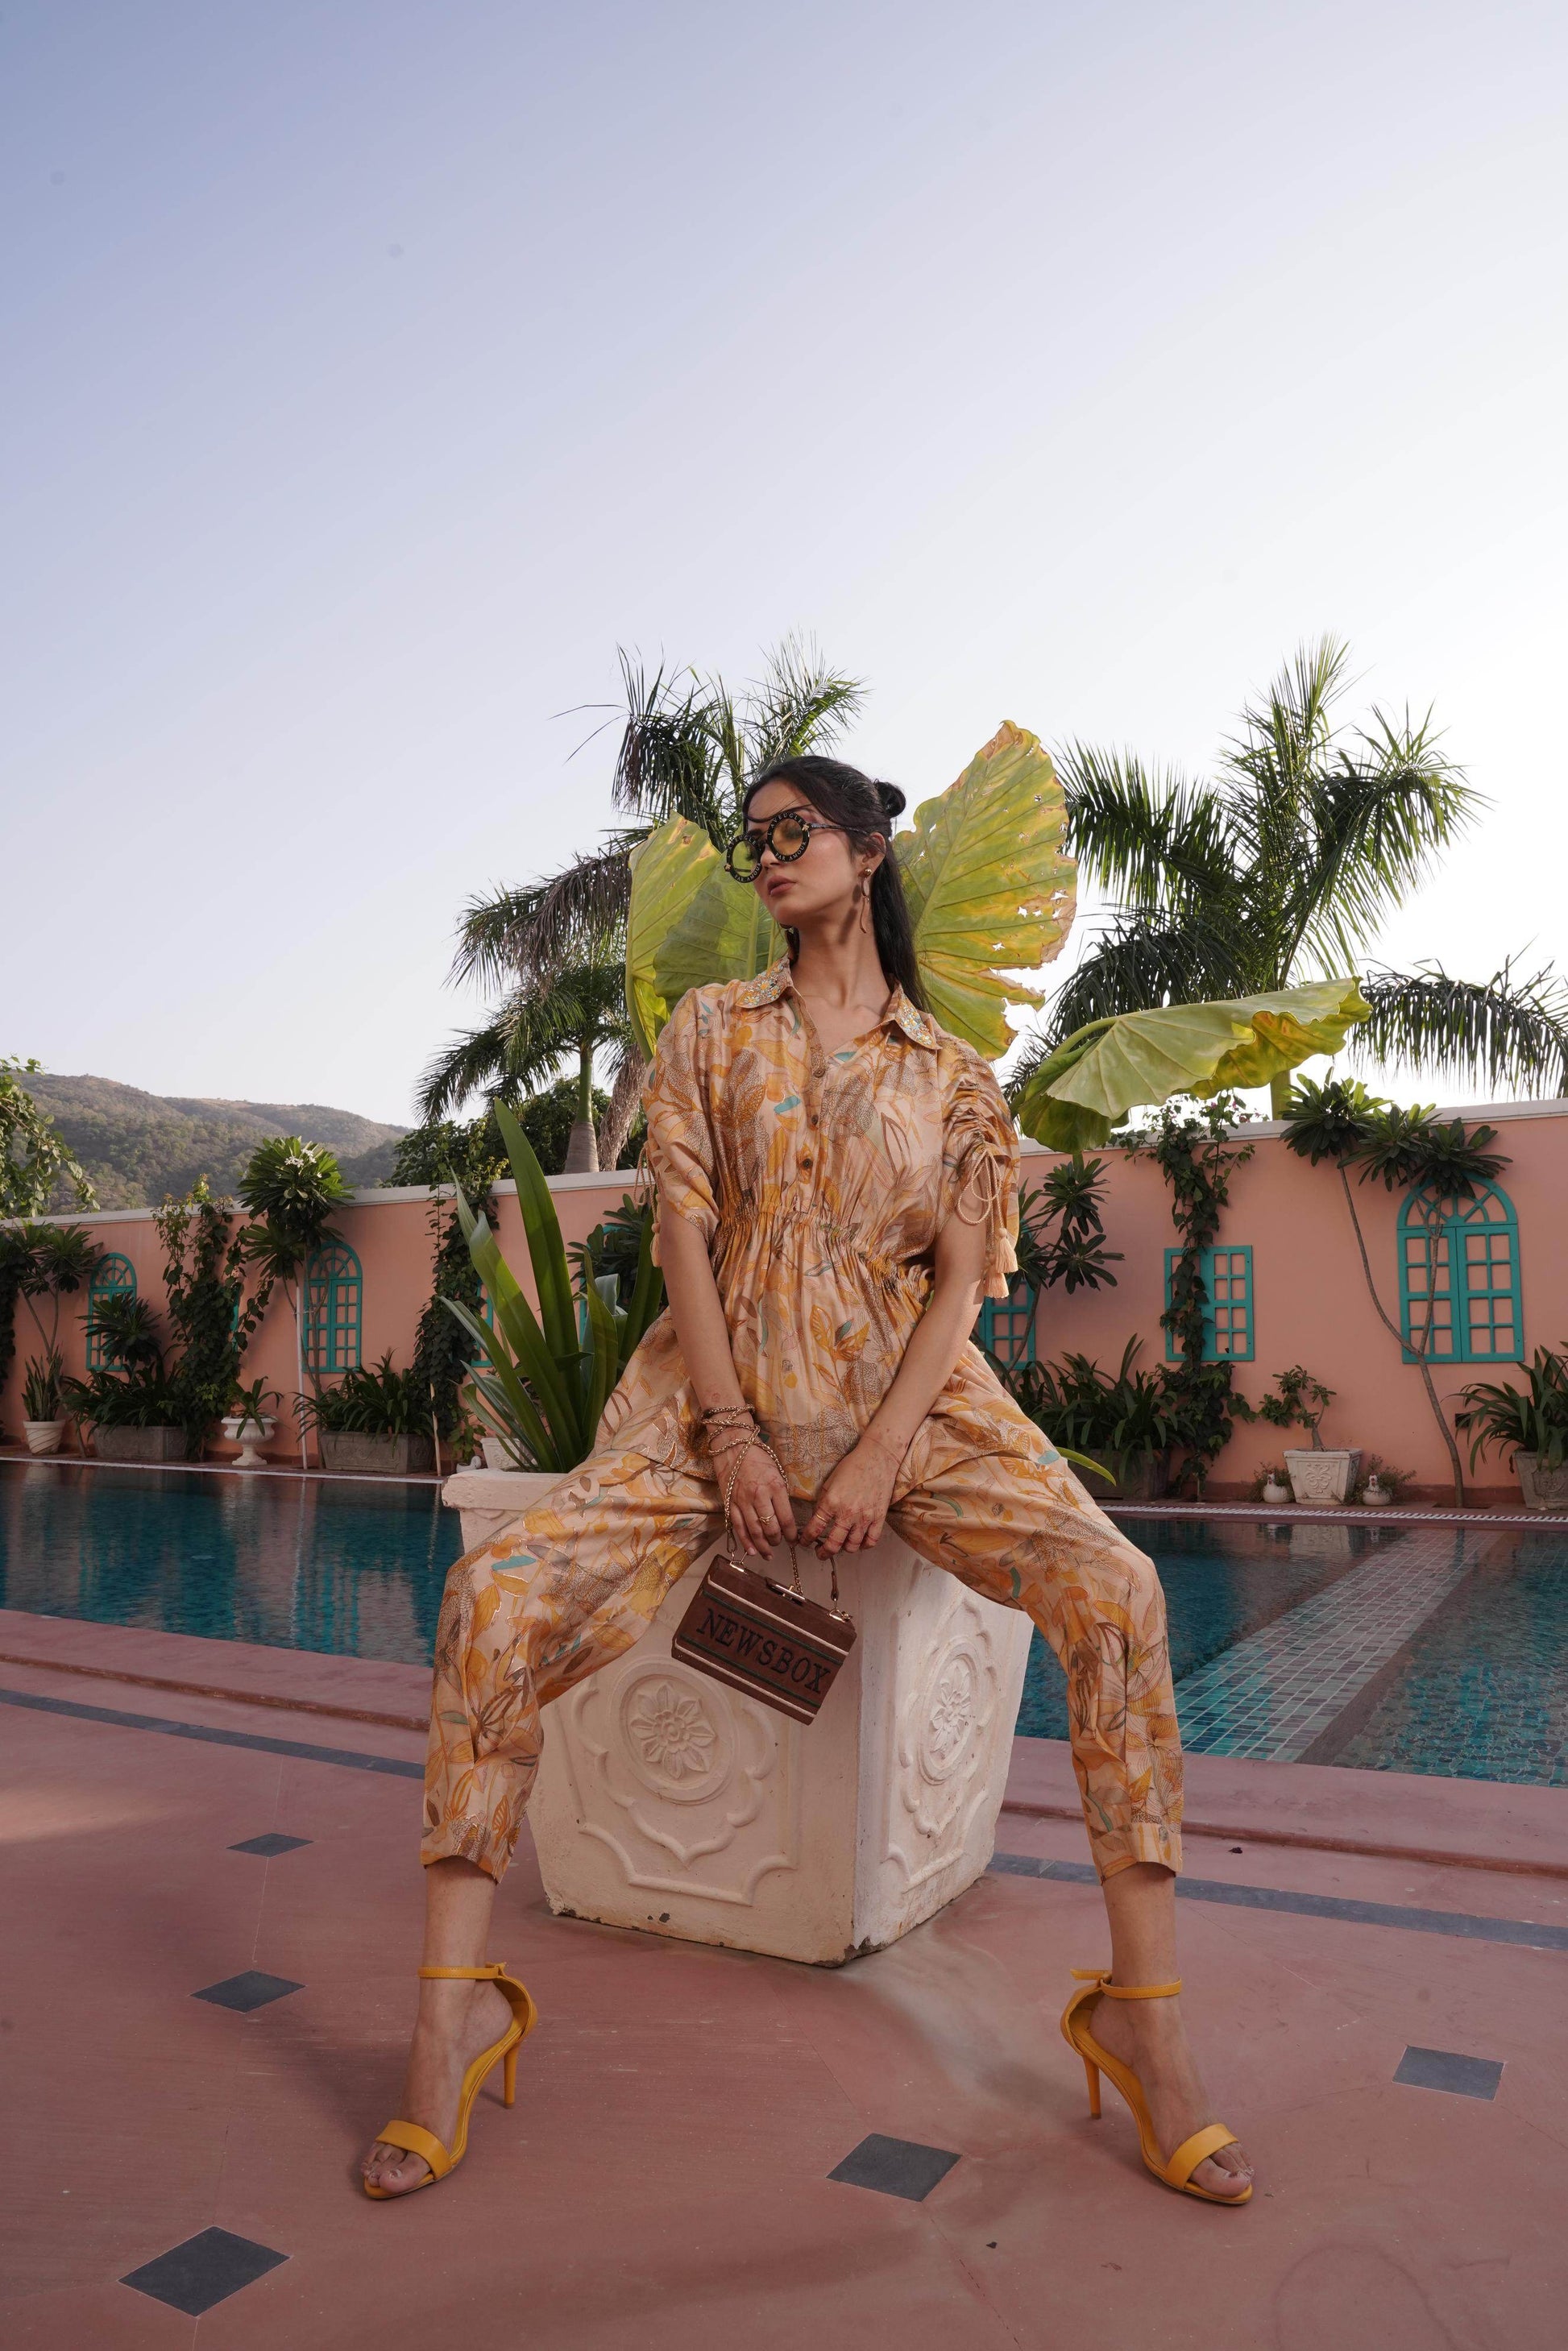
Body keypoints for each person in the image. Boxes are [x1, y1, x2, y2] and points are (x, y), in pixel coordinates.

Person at [362, 756, 1253, 2206]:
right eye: (752, 840)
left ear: (869, 848)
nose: (768, 855)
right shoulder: (711, 1026)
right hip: (711, 1402)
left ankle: (1144, 2024)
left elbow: (958, 1283)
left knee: (1119, 1590)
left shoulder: (953, 1076)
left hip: (914, 1402)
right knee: (493, 1596)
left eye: (795, 831)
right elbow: (684, 1233)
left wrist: (886, 1450)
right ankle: (448, 2021)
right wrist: (727, 1431)